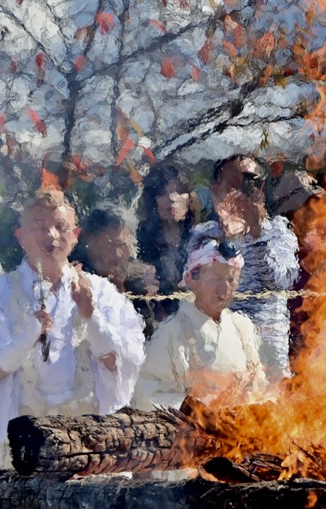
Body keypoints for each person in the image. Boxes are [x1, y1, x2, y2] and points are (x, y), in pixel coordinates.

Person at [0, 189, 146, 509]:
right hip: (19, 451)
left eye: (60, 227)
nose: (51, 236)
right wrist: (25, 339)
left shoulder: (100, 292)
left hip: (86, 448)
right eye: (40, 226)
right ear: (21, 235)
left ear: (75, 234)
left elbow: (120, 362)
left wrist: (91, 316)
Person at [194, 156, 300, 382]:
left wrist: (257, 234)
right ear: (215, 190)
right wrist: (223, 239)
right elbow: (192, 287)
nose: (239, 194)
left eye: (248, 184)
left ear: (261, 189)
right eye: (232, 185)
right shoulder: (203, 235)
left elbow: (280, 282)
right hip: (219, 361)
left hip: (268, 362)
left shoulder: (279, 232)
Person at [134, 236, 267, 410]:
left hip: (241, 429)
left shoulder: (243, 328)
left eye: (231, 280)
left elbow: (260, 387)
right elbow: (147, 392)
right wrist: (191, 409)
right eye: (216, 278)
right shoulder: (171, 333)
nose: (224, 289)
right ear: (191, 279)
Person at [76, 205, 161, 336]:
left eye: (123, 245)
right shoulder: (78, 278)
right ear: (90, 241)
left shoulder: (140, 277)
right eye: (110, 245)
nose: (117, 254)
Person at [138, 165, 200, 305]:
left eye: (179, 191)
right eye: (162, 193)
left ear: (189, 198)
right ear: (153, 199)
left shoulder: (200, 237)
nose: (172, 198)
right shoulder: (141, 240)